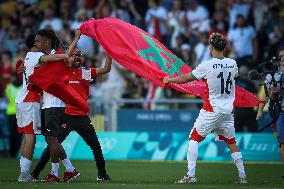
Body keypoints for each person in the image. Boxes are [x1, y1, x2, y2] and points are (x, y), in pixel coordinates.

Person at [163, 33, 247, 184]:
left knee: (194, 138)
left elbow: (186, 78)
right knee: (231, 142)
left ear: (211, 47)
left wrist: (170, 79)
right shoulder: (233, 63)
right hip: (228, 111)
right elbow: (234, 77)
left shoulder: (207, 65)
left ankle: (191, 175)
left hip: (212, 108)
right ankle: (242, 177)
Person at [31, 31, 112, 181]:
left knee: (96, 146)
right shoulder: (62, 70)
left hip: (81, 117)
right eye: (74, 54)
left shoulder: (85, 73)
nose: (77, 57)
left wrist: (109, 52)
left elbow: (106, 69)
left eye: (79, 55)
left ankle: (102, 174)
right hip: (65, 115)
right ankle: (35, 172)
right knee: (52, 146)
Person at [15, 34, 69, 182]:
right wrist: (65, 55)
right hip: (30, 99)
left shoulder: (28, 56)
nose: (43, 44)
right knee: (30, 137)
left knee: (27, 137)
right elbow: (49, 59)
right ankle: (24, 174)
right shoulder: (36, 55)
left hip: (23, 99)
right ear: (36, 43)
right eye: (40, 41)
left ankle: (24, 172)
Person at [34, 29, 78, 182]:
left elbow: (67, 56)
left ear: (47, 42)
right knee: (52, 140)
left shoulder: (49, 56)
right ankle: (70, 169)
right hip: (49, 103)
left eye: (38, 40)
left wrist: (77, 37)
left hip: (54, 104)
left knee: (52, 139)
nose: (35, 43)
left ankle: (54, 173)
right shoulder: (45, 57)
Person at [257, 46, 284, 172]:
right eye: (281, 56)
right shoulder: (272, 76)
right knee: (281, 141)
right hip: (277, 112)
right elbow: (265, 95)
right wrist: (260, 109)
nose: (282, 59)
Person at [5, 72, 22, 158]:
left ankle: (12, 153)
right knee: (19, 134)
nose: (11, 79)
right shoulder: (23, 86)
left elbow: (7, 99)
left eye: (12, 77)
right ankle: (17, 153)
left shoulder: (9, 87)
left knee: (12, 134)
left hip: (11, 112)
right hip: (21, 112)